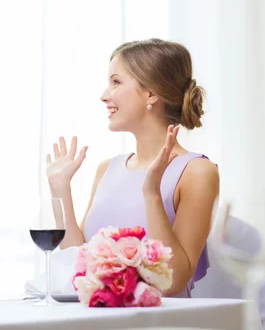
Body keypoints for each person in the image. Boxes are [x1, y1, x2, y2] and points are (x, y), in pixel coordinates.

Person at [45, 38, 219, 297]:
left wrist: (151, 193)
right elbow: (77, 265)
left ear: (151, 93)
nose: (104, 96)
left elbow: (173, 282)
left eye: (116, 82)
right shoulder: (107, 169)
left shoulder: (197, 172)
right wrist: (61, 190)